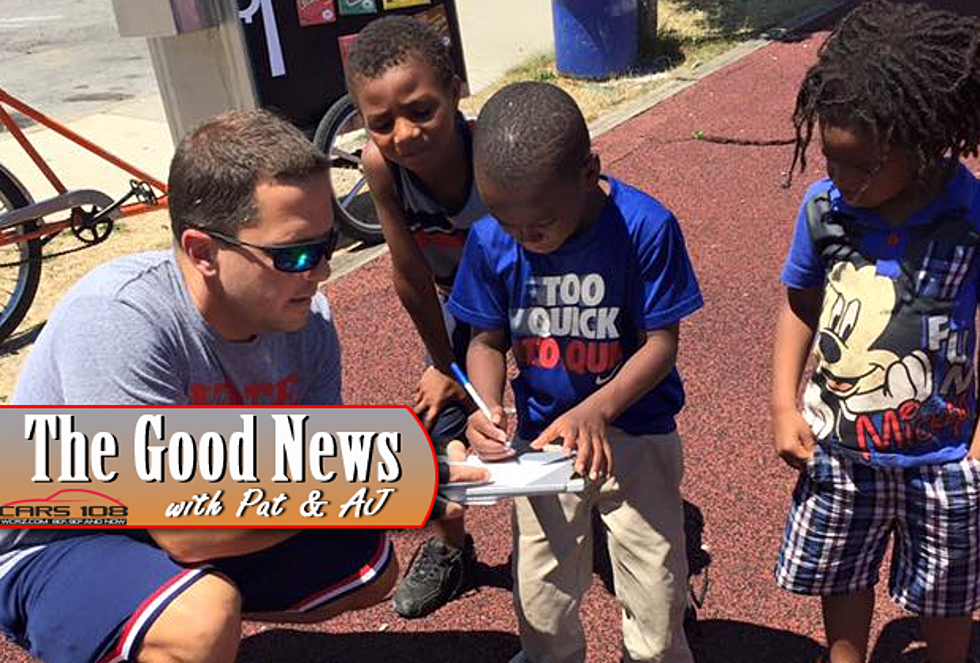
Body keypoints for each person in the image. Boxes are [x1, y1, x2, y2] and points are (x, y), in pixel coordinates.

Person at [4, 108, 402, 663]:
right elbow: (185, 534)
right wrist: (385, 483)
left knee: (367, 560)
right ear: (202, 252)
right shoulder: (120, 315)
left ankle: (168, 614)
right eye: (295, 254)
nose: (321, 271)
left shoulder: (310, 319)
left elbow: (318, 462)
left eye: (327, 243)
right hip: (59, 537)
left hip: (191, 509)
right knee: (202, 616)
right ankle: (158, 622)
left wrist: (398, 476)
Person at [449, 81, 703, 663]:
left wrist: (599, 408)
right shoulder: (492, 240)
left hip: (637, 434)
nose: (525, 239)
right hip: (541, 443)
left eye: (540, 225)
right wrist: (484, 409)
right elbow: (485, 340)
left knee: (655, 580)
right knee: (540, 587)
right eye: (506, 222)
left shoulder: (645, 227)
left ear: (589, 173)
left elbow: (662, 343)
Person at [771, 3, 980, 663]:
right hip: (842, 447)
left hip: (944, 450)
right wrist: (782, 402)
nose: (841, 180)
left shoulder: (969, 211)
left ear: (923, 146)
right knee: (843, 568)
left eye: (859, 167)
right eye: (831, 160)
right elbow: (800, 303)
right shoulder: (826, 211)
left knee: (948, 588)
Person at [344, 15, 487, 618]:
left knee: (563, 406)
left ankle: (622, 536)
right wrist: (446, 363)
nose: (404, 134)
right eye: (382, 124)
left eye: (422, 110)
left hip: (531, 303)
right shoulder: (383, 169)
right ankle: (452, 546)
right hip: (458, 309)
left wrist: (488, 362)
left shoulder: (495, 155)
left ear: (455, 89)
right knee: (429, 420)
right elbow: (409, 274)